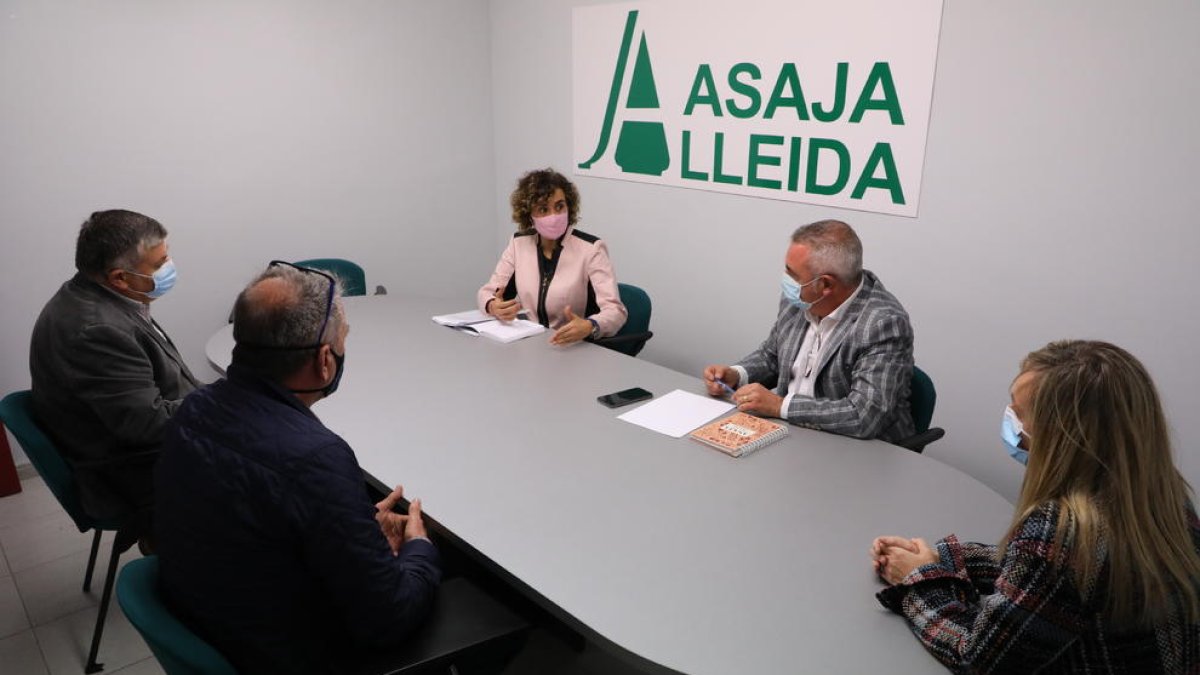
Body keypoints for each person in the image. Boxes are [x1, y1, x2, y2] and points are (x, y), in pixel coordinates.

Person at [155, 262, 441, 674]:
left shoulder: (194, 409)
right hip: (288, 653)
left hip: (213, 618)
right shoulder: (315, 458)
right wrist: (418, 547)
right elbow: (389, 617)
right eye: (343, 340)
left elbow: (266, 514)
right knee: (486, 595)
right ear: (325, 360)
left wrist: (355, 527)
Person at [871, 340, 1200, 673]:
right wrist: (944, 559)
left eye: (1019, 413)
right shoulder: (1161, 494)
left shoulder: (1061, 533)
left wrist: (920, 580)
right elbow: (1047, 579)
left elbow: (980, 659)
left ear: (1062, 436)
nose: (1011, 419)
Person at [30, 209, 199, 521]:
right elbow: (148, 426)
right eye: (160, 264)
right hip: (131, 473)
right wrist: (223, 403)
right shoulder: (97, 329)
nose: (169, 268)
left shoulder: (98, 294)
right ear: (120, 278)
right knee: (272, 470)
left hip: (137, 446)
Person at [703, 220, 914, 442]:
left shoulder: (883, 323)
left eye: (792, 274)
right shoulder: (799, 299)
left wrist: (780, 406)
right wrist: (737, 374)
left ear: (825, 285)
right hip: (790, 434)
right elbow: (771, 356)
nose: (786, 280)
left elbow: (864, 416)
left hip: (854, 449)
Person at [477, 168, 627, 345]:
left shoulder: (591, 249)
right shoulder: (519, 244)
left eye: (559, 206)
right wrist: (493, 305)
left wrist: (590, 326)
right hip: (531, 344)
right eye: (543, 209)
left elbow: (616, 311)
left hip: (573, 346)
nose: (553, 216)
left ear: (569, 206)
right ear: (529, 214)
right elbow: (487, 291)